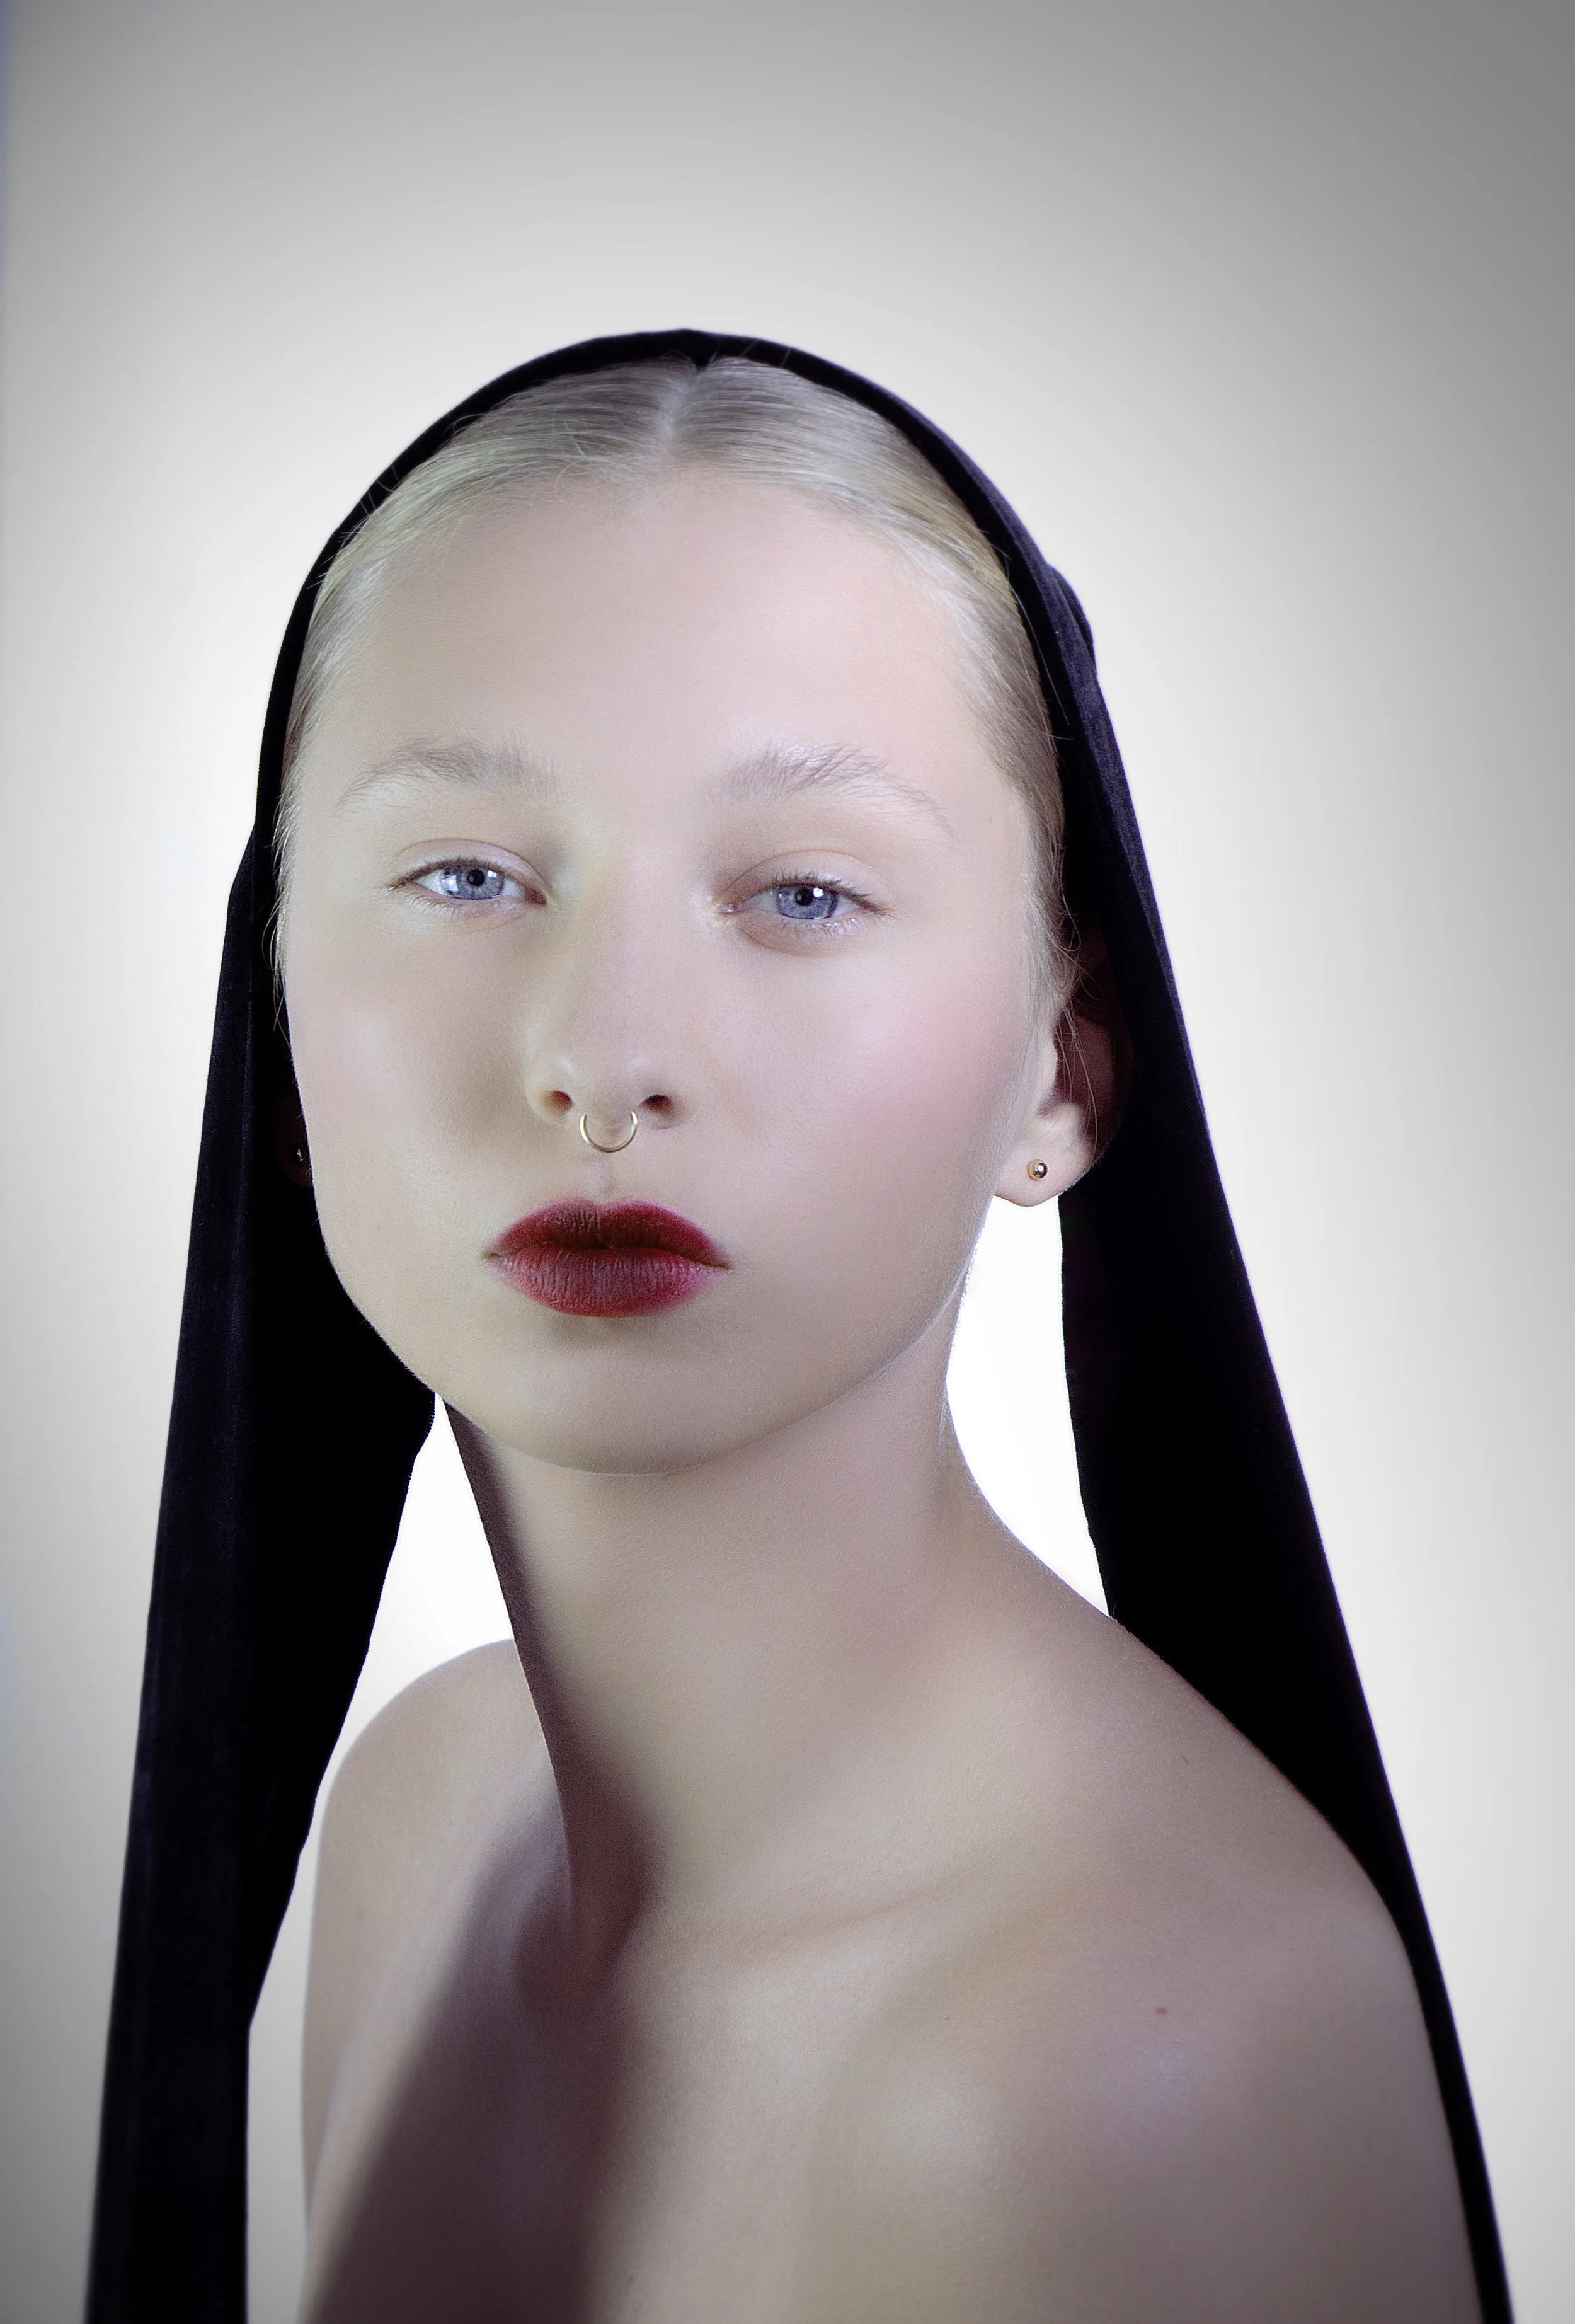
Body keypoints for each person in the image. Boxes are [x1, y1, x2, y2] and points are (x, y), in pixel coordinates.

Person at [88, 335, 1506, 2323]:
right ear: (280, 1024)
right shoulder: (420, 1813)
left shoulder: (1118, 2078)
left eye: (805, 895)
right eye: (469, 874)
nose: (606, 1058)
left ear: (1066, 1067)